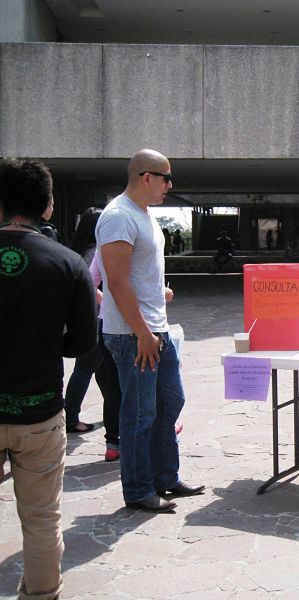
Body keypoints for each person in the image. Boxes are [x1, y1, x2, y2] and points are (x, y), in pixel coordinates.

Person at [0, 158, 97, 600]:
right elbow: (80, 343)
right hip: (38, 410)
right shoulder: (68, 262)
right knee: (41, 518)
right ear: (48, 207)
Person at [96, 149, 204, 513]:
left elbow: (138, 278)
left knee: (170, 402)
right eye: (165, 178)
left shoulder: (144, 217)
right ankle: (139, 489)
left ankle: (165, 478)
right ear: (146, 177)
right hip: (132, 335)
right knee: (140, 414)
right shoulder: (117, 217)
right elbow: (116, 281)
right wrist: (141, 331)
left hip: (156, 330)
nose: (170, 186)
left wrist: (159, 296)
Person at [63, 208, 123, 452]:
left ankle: (112, 415)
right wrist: (108, 302)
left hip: (91, 318)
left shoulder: (80, 249)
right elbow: (90, 284)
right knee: (86, 369)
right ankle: (71, 417)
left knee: (102, 371)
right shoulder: (94, 251)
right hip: (97, 320)